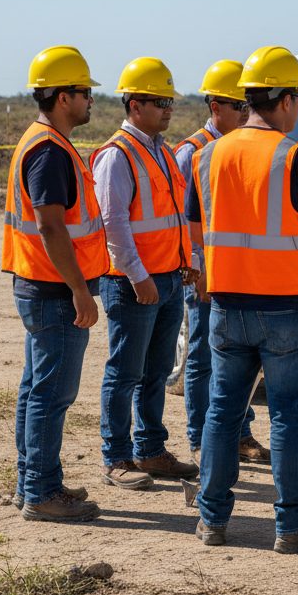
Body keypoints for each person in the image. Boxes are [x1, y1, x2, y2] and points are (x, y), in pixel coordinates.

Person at [187, 45, 298, 551]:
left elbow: (197, 229)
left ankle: (211, 520)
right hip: (284, 309)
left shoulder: (208, 155)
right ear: (285, 99)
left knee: (221, 412)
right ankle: (293, 526)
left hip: (226, 307)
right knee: (288, 418)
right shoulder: (297, 156)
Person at [4, 46, 108, 522]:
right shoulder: (48, 151)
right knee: (50, 395)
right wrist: (81, 291)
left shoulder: (44, 142)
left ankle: (33, 481)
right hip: (55, 291)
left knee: (36, 390)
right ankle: (42, 493)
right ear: (64, 96)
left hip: (40, 286)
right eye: (85, 92)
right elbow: (50, 225)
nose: (91, 100)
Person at [92, 57, 199, 490]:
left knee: (156, 373)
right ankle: (115, 458)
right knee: (125, 373)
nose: (169, 108)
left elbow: (176, 215)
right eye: (160, 102)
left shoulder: (162, 152)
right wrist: (138, 277)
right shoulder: (116, 156)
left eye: (170, 101)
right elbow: (113, 224)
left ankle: (151, 450)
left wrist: (187, 260)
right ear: (134, 105)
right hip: (133, 284)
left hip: (169, 279)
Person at [175, 60, 269, 466]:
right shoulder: (192, 152)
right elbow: (186, 221)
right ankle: (200, 440)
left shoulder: (245, 147)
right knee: (201, 358)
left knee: (241, 361)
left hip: (238, 273)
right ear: (215, 107)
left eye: (249, 104)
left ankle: (240, 434)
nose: (247, 112)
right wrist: (198, 270)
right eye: (238, 105)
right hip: (207, 275)